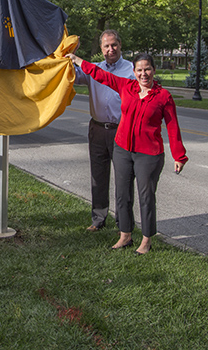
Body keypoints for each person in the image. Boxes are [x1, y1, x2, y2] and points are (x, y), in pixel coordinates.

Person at [66, 51, 188, 255]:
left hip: (148, 155)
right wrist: (78, 60)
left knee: (146, 196)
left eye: (147, 69)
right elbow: (100, 74)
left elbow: (173, 126)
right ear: (134, 72)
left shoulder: (163, 96)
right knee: (122, 194)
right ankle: (125, 236)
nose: (143, 74)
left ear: (153, 70)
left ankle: (147, 240)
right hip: (122, 149)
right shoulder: (126, 87)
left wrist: (179, 156)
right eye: (139, 70)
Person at [72, 30, 135, 232]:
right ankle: (98, 219)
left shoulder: (131, 70)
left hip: (122, 130)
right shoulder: (93, 70)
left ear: (120, 44)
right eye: (106, 46)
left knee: (123, 178)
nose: (111, 49)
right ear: (101, 49)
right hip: (97, 129)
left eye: (114, 45)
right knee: (98, 177)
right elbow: (70, 76)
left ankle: (123, 224)